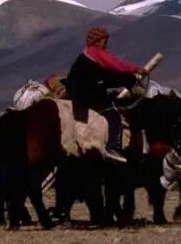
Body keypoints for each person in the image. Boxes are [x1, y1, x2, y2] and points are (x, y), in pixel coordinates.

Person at [62, 26, 146, 162]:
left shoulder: (86, 55)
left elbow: (108, 76)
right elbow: (116, 65)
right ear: (96, 41)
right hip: (87, 93)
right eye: (103, 40)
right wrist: (136, 69)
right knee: (114, 116)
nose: (106, 44)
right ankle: (111, 147)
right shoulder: (96, 53)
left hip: (77, 92)